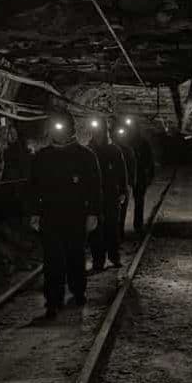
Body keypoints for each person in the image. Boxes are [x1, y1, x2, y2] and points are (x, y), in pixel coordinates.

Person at [28, 110, 102, 321]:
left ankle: (78, 291)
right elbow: (33, 187)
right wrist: (34, 212)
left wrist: (93, 213)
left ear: (71, 129)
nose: (57, 132)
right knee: (52, 260)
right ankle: (53, 300)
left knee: (75, 256)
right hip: (50, 216)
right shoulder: (43, 157)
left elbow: (94, 187)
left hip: (76, 215)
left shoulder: (85, 156)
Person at [87, 116, 129, 272]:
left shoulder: (114, 150)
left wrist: (123, 190)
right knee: (95, 230)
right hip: (94, 196)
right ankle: (98, 260)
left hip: (111, 195)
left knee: (111, 227)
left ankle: (113, 256)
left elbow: (122, 172)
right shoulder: (88, 151)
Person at [124, 116, 155, 236]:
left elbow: (149, 160)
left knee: (138, 201)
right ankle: (136, 226)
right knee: (134, 201)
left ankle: (137, 225)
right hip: (131, 175)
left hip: (138, 175)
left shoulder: (139, 143)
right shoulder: (128, 142)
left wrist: (150, 175)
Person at [114, 122, 137, 241]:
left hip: (124, 185)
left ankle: (120, 234)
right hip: (114, 185)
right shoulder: (111, 150)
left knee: (122, 211)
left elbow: (132, 167)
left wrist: (130, 183)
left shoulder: (127, 150)